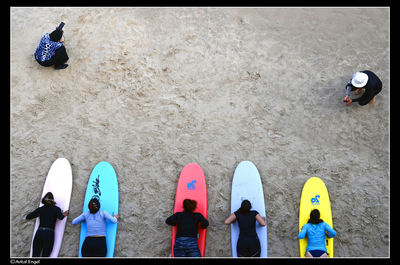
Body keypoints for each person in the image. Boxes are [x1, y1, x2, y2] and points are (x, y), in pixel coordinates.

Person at [26, 192, 69, 257]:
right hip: (49, 233)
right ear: (53, 200)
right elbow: (60, 217)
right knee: (45, 256)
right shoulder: (56, 209)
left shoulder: (40, 209)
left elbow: (28, 217)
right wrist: (64, 214)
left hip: (39, 232)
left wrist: (37, 214)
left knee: (35, 256)